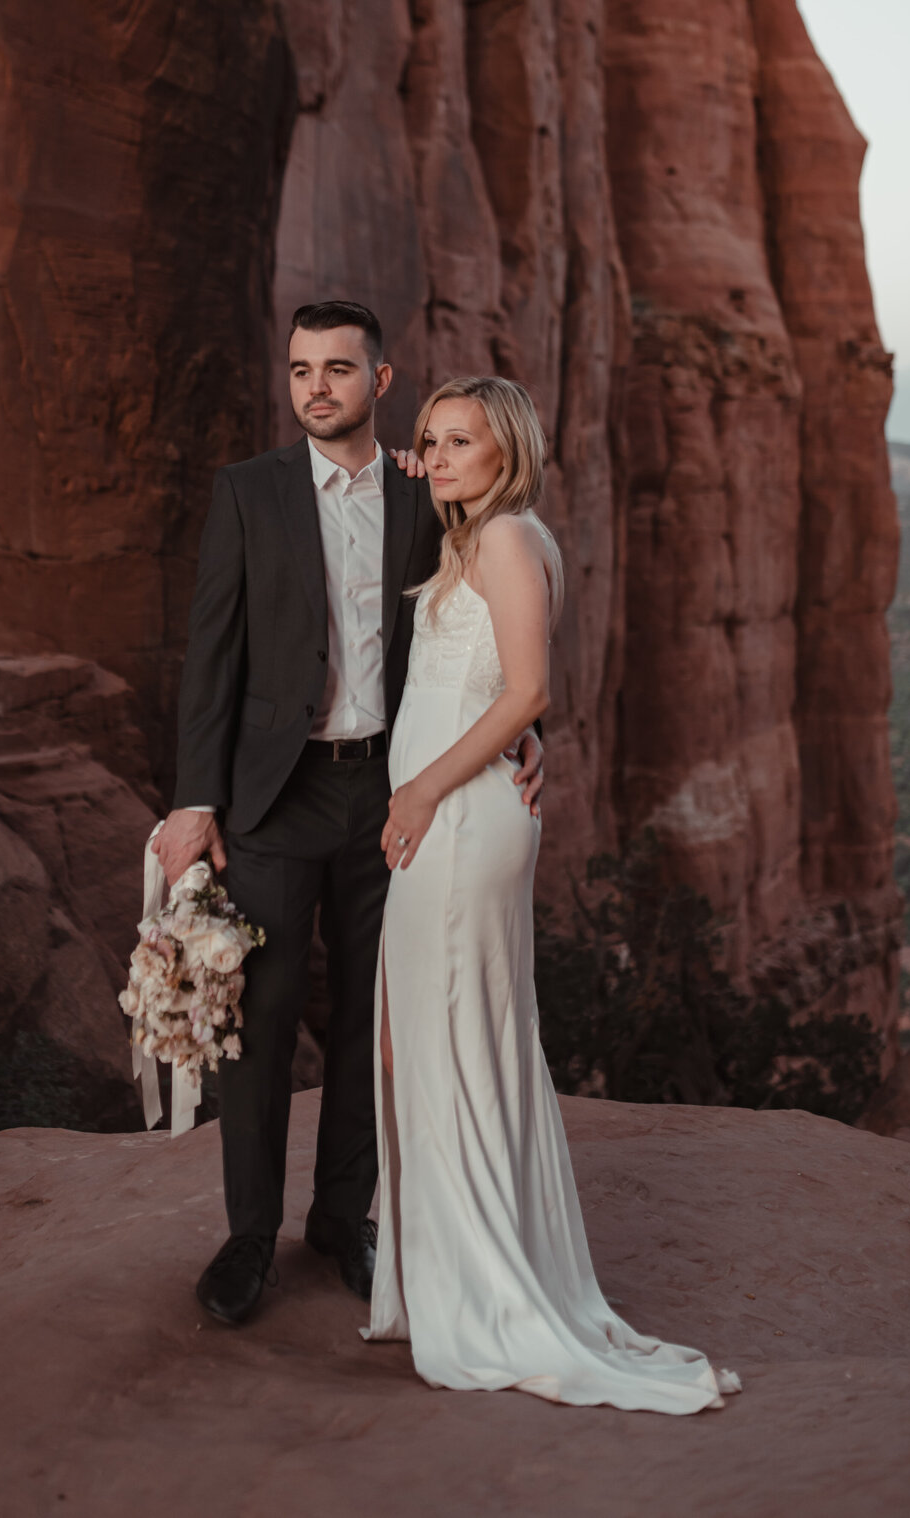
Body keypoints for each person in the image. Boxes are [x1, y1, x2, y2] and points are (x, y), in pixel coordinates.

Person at [153, 302, 544, 1326]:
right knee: (264, 1018)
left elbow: (497, 629)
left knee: (377, 1016)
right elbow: (212, 656)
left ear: (382, 381)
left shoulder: (430, 495)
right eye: (298, 369)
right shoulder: (247, 493)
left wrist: (522, 731)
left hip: (394, 793)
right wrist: (196, 800)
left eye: (337, 368)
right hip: (275, 796)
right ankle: (249, 1236)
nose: (315, 386)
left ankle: (343, 1217)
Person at [363, 376, 742, 1413]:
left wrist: (424, 787)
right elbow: (497, 691)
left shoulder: (503, 542)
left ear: (508, 450)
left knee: (443, 1034)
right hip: (457, 812)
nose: (437, 457)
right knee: (432, 1034)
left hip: (458, 821)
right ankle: (458, 1264)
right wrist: (414, 467)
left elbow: (530, 689)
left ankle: (487, 1289)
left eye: (459, 443)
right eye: (427, 441)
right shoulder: (480, 533)